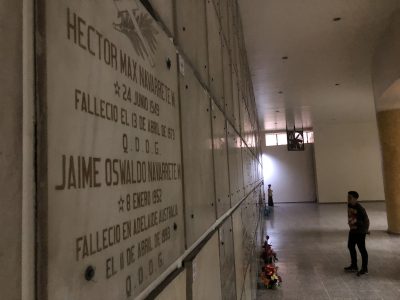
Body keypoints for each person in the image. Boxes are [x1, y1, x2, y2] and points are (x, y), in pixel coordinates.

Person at [344, 191, 370, 276]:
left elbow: (366, 221)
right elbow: (351, 216)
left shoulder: (360, 209)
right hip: (353, 230)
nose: (348, 199)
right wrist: (351, 222)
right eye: (347, 197)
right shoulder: (349, 205)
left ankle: (365, 269)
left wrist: (365, 230)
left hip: (360, 231)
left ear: (355, 199)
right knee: (350, 246)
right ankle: (354, 266)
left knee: (362, 249)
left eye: (349, 197)